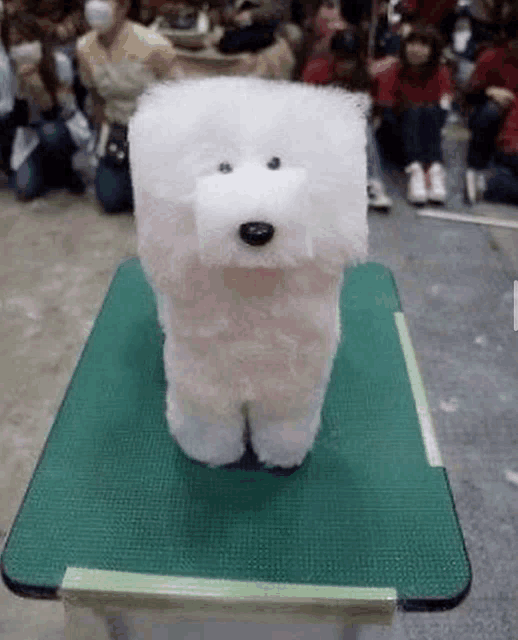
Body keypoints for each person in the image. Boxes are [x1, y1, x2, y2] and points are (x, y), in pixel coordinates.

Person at [76, 0, 184, 214]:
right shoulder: (84, 47)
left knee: (158, 205)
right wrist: (100, 144)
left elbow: (178, 98)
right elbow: (96, 98)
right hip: (117, 131)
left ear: (124, 6)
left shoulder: (154, 45)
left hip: (153, 134)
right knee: (110, 200)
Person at [302, 26, 392, 210]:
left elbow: (374, 112)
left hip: (355, 129)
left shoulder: (367, 74)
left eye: (350, 59)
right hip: (319, 127)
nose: (345, 64)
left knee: (362, 125)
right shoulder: (315, 70)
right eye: (341, 58)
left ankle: (372, 183)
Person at [8, 11, 92, 201]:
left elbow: (64, 112)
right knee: (24, 192)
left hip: (61, 128)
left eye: (25, 41)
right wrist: (22, 90)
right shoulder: (10, 69)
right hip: (29, 135)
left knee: (50, 132)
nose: (20, 48)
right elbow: (18, 121)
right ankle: (46, 169)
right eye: (14, 44)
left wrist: (39, 88)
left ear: (38, 40)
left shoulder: (59, 62)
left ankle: (65, 170)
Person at [372, 23, 453, 205]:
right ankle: (417, 170)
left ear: (433, 50)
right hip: (396, 136)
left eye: (423, 45)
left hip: (426, 135)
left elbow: (443, 109)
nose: (416, 50)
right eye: (412, 44)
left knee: (431, 111)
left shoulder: (441, 72)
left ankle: (433, 169)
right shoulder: (392, 69)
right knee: (414, 111)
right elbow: (386, 110)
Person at [464, 20, 518, 203]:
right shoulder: (492, 57)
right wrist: (489, 91)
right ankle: (477, 168)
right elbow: (468, 95)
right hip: (497, 122)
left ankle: (490, 183)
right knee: (491, 111)